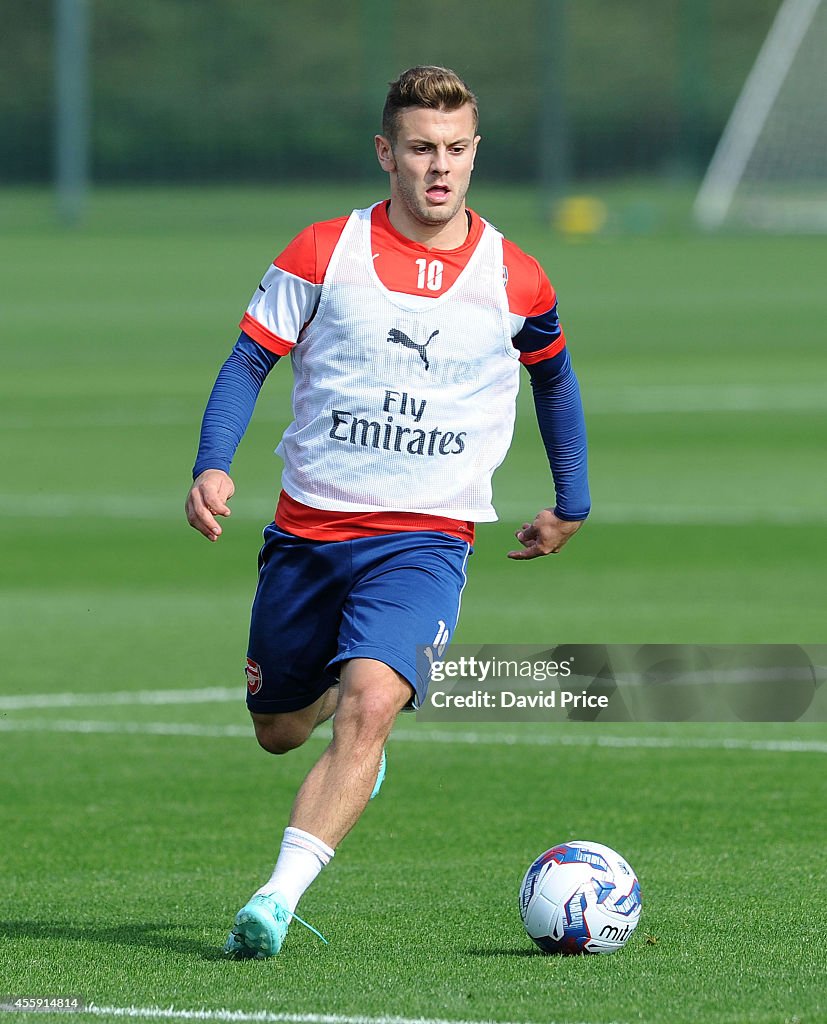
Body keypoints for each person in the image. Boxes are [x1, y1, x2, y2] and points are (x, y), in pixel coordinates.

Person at [185, 65, 590, 959]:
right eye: (419, 149)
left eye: (454, 150)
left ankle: (275, 901)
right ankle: (351, 701)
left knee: (370, 705)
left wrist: (574, 498)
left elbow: (555, 378)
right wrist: (214, 464)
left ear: (475, 153)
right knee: (281, 730)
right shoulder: (322, 251)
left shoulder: (514, 275)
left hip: (426, 537)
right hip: (308, 532)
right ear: (386, 153)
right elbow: (249, 360)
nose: (438, 169)